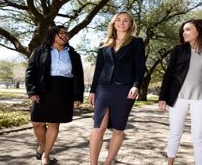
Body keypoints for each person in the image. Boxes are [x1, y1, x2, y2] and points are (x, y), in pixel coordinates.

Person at [158, 19, 202, 165]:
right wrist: (162, 97)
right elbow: (169, 74)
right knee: (175, 133)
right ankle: (170, 163)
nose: (183, 32)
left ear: (198, 31)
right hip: (177, 98)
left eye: (188, 29)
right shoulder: (178, 50)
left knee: (199, 136)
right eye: (183, 30)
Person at [88, 11, 145, 165]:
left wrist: (136, 85)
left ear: (131, 24)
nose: (122, 23)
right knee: (98, 128)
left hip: (125, 89)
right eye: (118, 20)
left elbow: (140, 67)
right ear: (113, 23)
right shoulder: (104, 42)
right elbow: (98, 69)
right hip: (103, 88)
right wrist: (92, 90)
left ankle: (107, 162)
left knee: (118, 129)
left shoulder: (137, 42)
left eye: (126, 20)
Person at [25, 25, 84, 165]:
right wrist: (32, 91)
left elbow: (79, 76)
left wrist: (78, 96)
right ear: (52, 34)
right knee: (37, 123)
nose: (65, 35)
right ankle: (42, 145)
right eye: (61, 33)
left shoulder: (73, 54)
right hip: (43, 89)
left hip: (63, 91)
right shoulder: (39, 51)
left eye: (66, 33)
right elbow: (30, 71)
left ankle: (46, 155)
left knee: (53, 124)